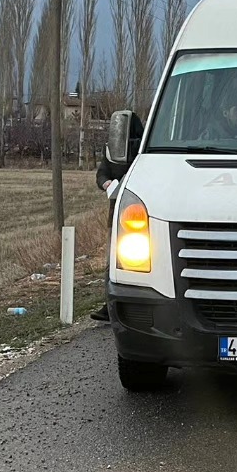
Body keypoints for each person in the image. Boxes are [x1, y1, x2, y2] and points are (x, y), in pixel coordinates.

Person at [91, 113, 145, 323]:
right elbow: (101, 174)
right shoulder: (112, 152)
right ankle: (110, 306)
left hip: (137, 216)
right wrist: (107, 184)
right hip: (116, 215)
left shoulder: (143, 152)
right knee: (111, 262)